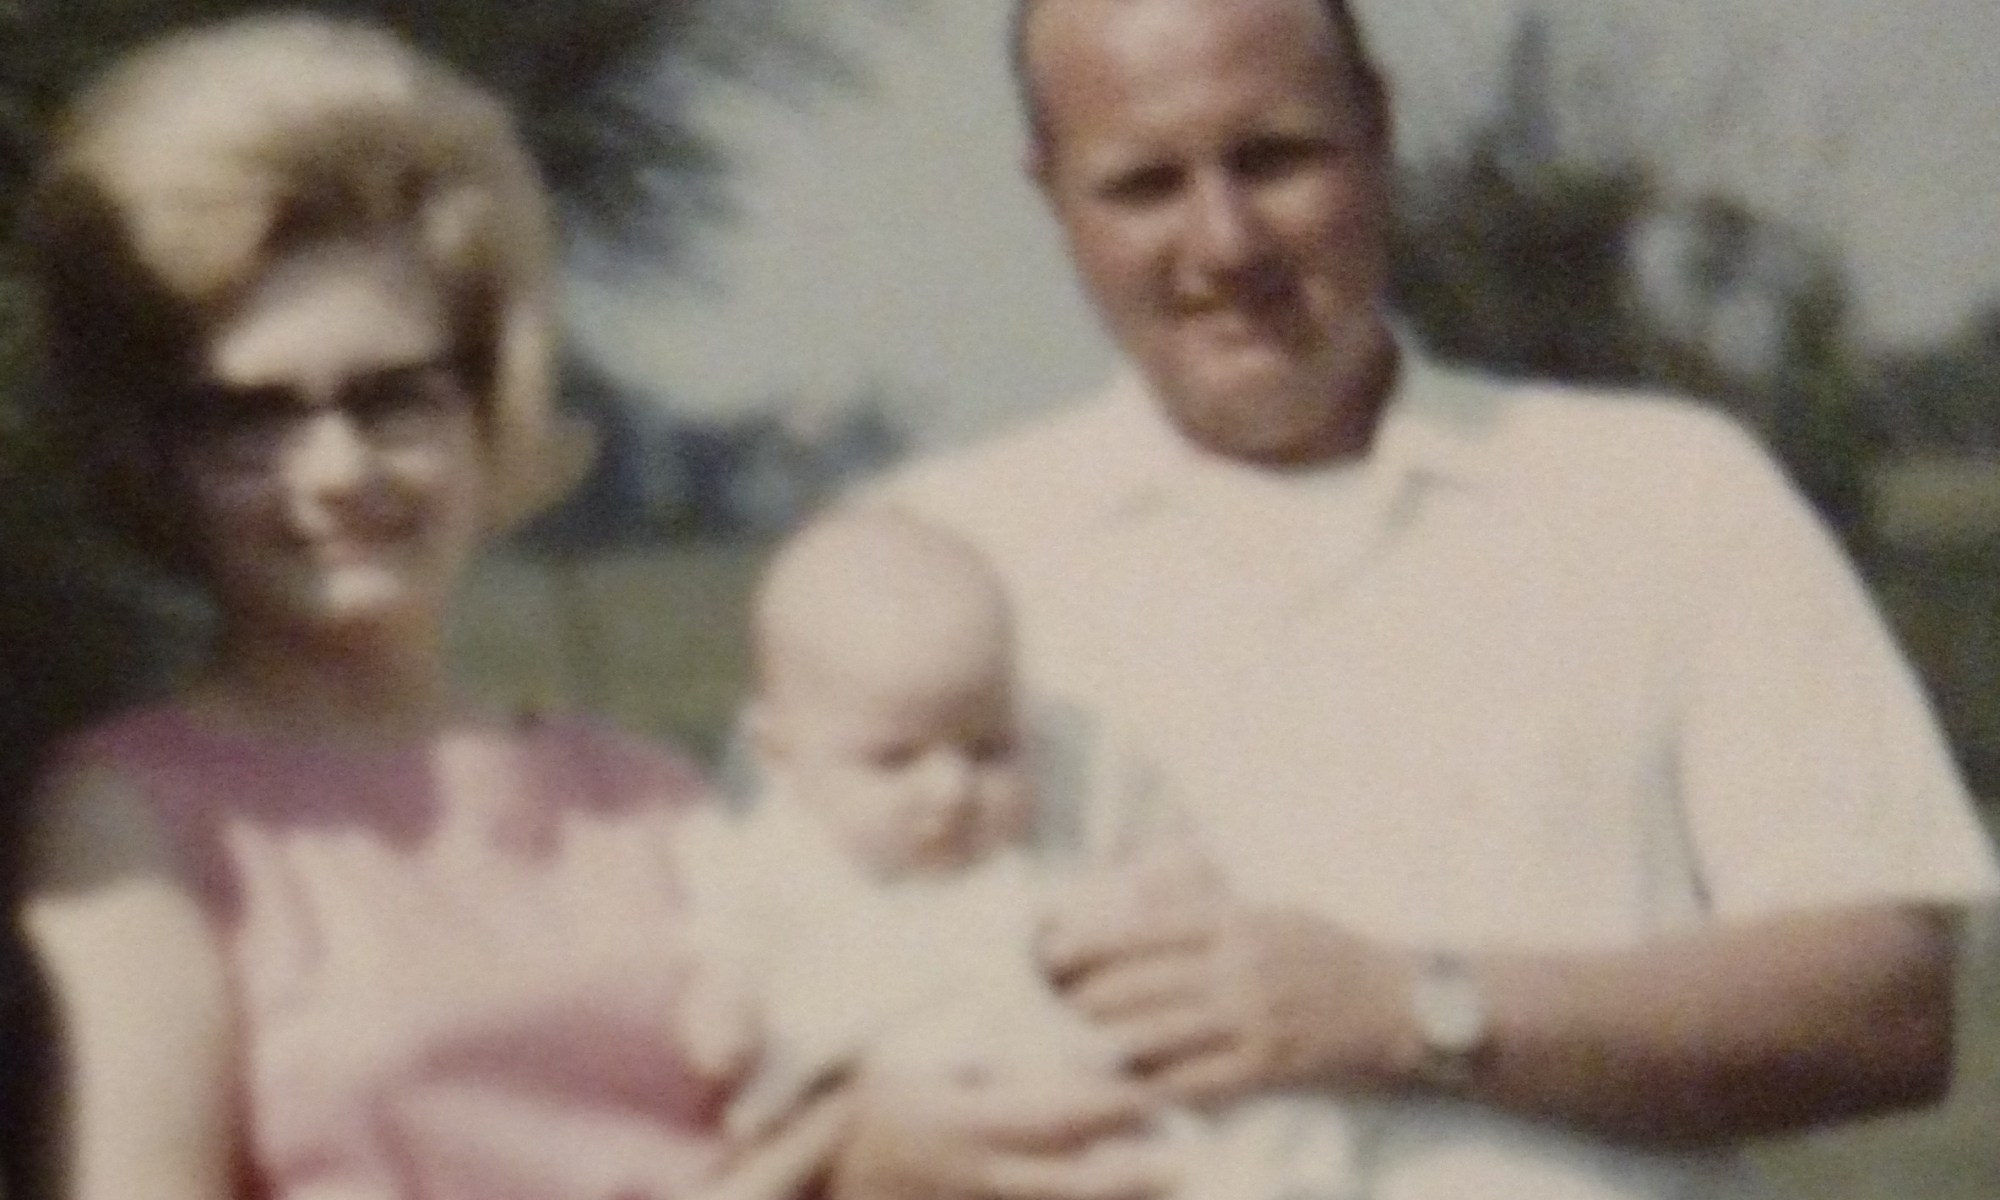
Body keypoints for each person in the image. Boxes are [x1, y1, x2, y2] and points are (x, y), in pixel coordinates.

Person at [840, 0, 2000, 1198]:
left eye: (1273, 159)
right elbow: (763, 1050)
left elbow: (1885, 1005)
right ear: (1051, 196)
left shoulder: (1667, 496)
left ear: (1376, 133)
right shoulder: (917, 560)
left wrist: (1411, 1011)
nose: (1224, 242)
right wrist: (865, 1154)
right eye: (1143, 185)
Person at [13, 16, 824, 1200]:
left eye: (392, 398)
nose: (337, 472)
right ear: (158, 455)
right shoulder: (135, 816)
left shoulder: (647, 801)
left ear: (488, 405)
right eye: (254, 418)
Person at [686, 504, 1364, 1200]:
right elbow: (728, 960)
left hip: (1086, 1104)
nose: (951, 790)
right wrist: (725, 1016)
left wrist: (1148, 894)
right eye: (895, 759)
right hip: (901, 1107)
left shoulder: (1048, 834)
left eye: (990, 750)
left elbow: (1163, 863)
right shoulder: (773, 863)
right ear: (780, 754)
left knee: (1244, 1136)